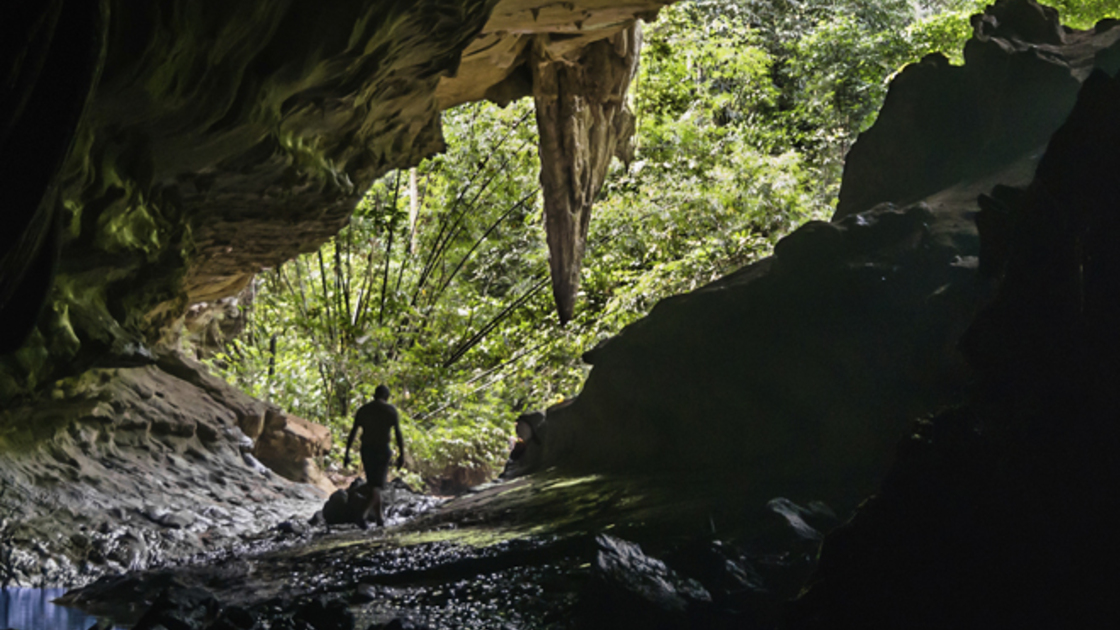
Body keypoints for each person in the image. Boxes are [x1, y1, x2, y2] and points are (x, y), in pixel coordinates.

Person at [343, 384, 404, 528]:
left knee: (373, 485)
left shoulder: (364, 410)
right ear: (386, 396)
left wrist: (347, 453)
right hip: (383, 450)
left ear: (374, 395)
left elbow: (353, 432)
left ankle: (379, 519)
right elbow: (398, 434)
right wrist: (402, 454)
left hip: (367, 450)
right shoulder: (390, 410)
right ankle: (362, 515)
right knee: (376, 486)